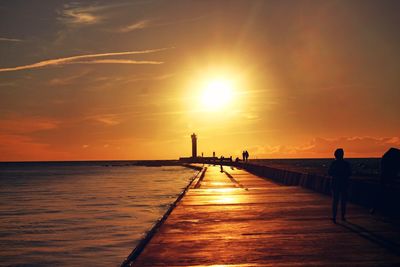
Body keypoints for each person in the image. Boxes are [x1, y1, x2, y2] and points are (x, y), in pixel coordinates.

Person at [371, 147, 400, 214]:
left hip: (385, 176)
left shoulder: (389, 155)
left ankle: (375, 208)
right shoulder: (394, 155)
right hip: (388, 176)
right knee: (384, 191)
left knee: (380, 191)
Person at [328, 148, 352, 223]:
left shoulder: (334, 163)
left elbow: (330, 173)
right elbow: (349, 173)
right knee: (343, 201)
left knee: (335, 201)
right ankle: (343, 216)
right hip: (344, 184)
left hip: (335, 184)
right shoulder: (346, 164)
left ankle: (334, 216)